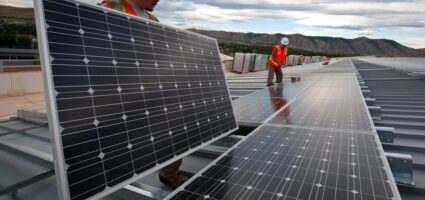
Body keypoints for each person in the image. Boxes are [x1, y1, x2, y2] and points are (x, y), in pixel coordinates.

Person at [99, 0, 188, 190]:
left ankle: (170, 173)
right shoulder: (106, 11)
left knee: (174, 126)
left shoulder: (152, 19)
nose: (159, 0)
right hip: (119, 95)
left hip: (150, 90)